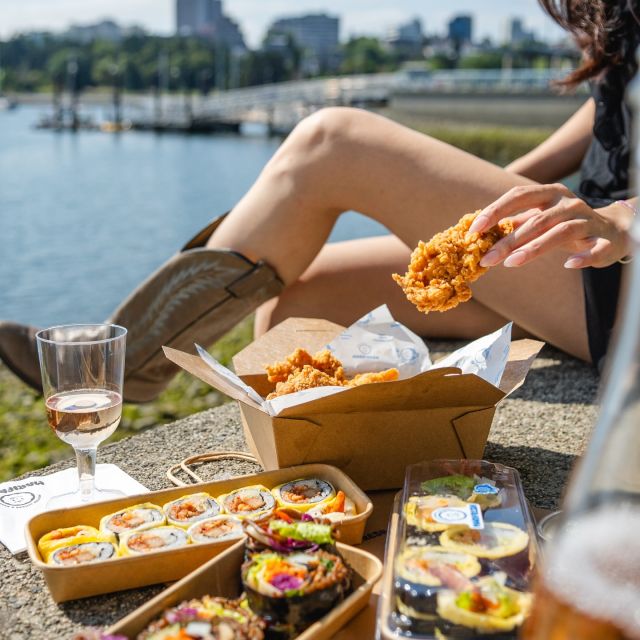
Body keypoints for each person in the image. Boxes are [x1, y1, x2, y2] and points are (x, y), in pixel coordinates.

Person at [0, 0, 637, 403]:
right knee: (293, 309)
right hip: (584, 265)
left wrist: (624, 216)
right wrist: (482, 200)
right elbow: (609, 115)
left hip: (623, 272)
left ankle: (124, 362)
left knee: (335, 142)